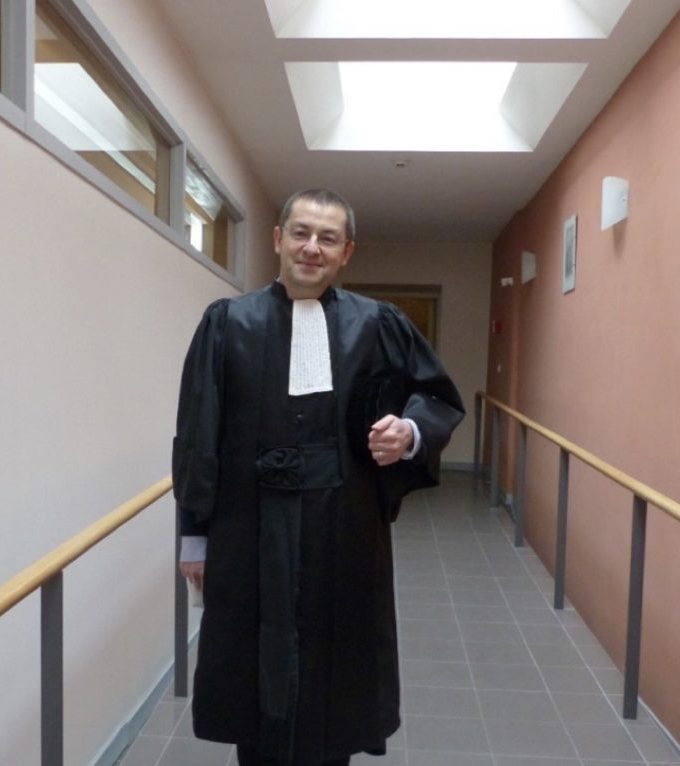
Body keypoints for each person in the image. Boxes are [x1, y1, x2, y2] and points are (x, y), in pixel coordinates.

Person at [172, 189, 464, 766]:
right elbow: (197, 436)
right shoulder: (227, 324)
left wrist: (408, 432)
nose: (312, 248)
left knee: (338, 670)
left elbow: (435, 397)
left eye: (327, 238)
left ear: (346, 251)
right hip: (247, 527)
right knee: (254, 674)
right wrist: (194, 536)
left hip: (344, 527)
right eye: (301, 233)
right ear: (277, 239)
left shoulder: (379, 325)